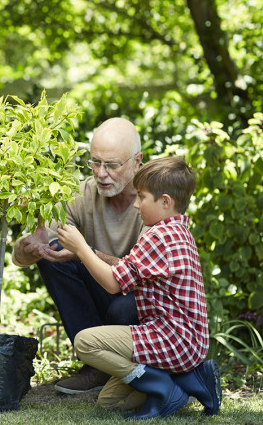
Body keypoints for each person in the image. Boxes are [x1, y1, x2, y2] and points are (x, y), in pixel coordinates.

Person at [57, 156, 221, 419]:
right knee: (110, 401)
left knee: (85, 342)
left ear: (165, 201)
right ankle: (189, 380)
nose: (135, 204)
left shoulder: (158, 236)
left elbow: (112, 283)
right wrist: (86, 253)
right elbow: (129, 268)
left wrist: (81, 248)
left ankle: (162, 387)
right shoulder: (178, 231)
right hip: (188, 342)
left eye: (142, 197)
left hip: (172, 338)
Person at [12, 117, 144, 394]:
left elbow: (144, 275)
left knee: (123, 305)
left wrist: (86, 253)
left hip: (143, 304)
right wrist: (29, 248)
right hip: (104, 292)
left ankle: (130, 369)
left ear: (137, 161)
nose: (101, 173)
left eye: (112, 165)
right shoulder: (83, 194)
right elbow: (24, 257)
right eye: (95, 162)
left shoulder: (155, 200)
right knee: (55, 255)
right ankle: (96, 366)